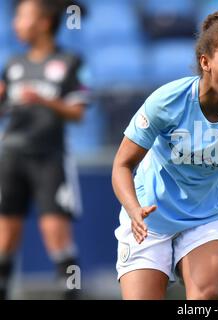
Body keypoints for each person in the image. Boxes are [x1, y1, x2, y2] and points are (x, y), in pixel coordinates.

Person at [112, 11, 218, 300]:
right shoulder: (166, 101)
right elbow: (122, 165)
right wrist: (134, 209)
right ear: (206, 62)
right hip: (150, 217)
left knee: (205, 294)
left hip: (207, 217)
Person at [0, 0, 88, 299]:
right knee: (5, 237)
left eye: (22, 17)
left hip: (49, 158)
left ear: (44, 22)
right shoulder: (12, 65)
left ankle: (71, 292)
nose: (16, 24)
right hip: (11, 157)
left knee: (56, 234)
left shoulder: (71, 61)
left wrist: (43, 100)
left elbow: (78, 113)